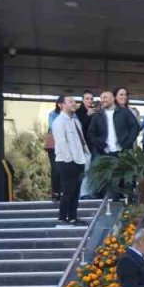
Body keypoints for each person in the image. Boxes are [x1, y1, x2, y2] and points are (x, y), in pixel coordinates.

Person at [50, 96, 89, 226]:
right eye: (70, 102)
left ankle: (73, 216)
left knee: (76, 190)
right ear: (61, 105)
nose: (74, 104)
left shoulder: (75, 121)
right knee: (68, 190)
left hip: (79, 160)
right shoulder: (58, 121)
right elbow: (61, 143)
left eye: (74, 101)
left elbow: (80, 140)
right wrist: (69, 160)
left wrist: (83, 156)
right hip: (66, 161)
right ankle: (62, 217)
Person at [86, 89, 139, 158]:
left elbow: (135, 127)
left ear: (113, 99)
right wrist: (99, 145)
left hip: (123, 153)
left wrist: (127, 143)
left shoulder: (125, 112)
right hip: (104, 153)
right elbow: (91, 133)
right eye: (101, 98)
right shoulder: (98, 115)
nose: (102, 100)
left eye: (105, 97)